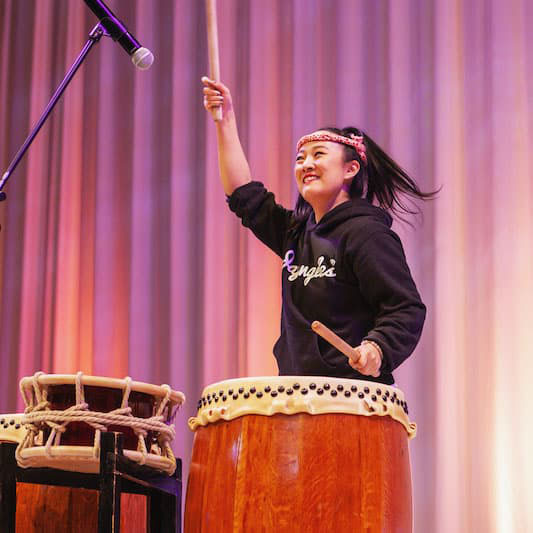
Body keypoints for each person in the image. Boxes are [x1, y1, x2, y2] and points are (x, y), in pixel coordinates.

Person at [202, 76, 434, 385]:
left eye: (318, 155)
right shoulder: (296, 233)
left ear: (350, 169)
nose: (306, 164)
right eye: (300, 159)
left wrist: (376, 348)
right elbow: (243, 195)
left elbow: (406, 308)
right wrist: (225, 121)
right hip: (298, 394)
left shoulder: (367, 234)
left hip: (352, 396)